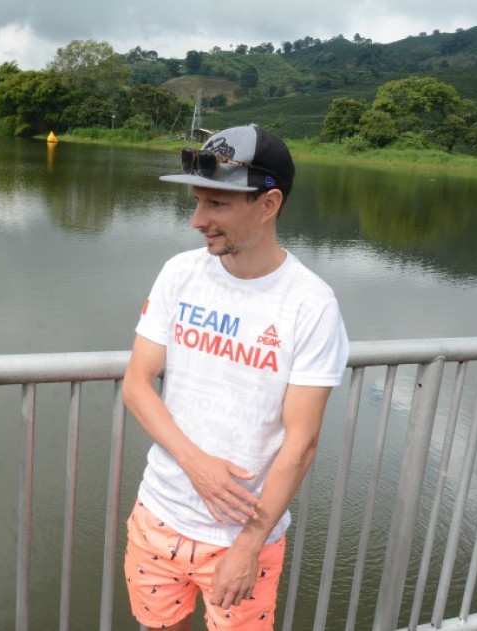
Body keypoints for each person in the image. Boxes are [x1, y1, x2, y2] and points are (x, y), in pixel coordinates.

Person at [122, 124, 349, 630]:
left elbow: (302, 441)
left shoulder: (310, 305)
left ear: (268, 205)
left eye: (217, 205)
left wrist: (249, 544)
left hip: (247, 538)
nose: (197, 220)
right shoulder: (180, 274)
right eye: (198, 201)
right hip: (159, 516)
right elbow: (137, 383)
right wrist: (195, 464)